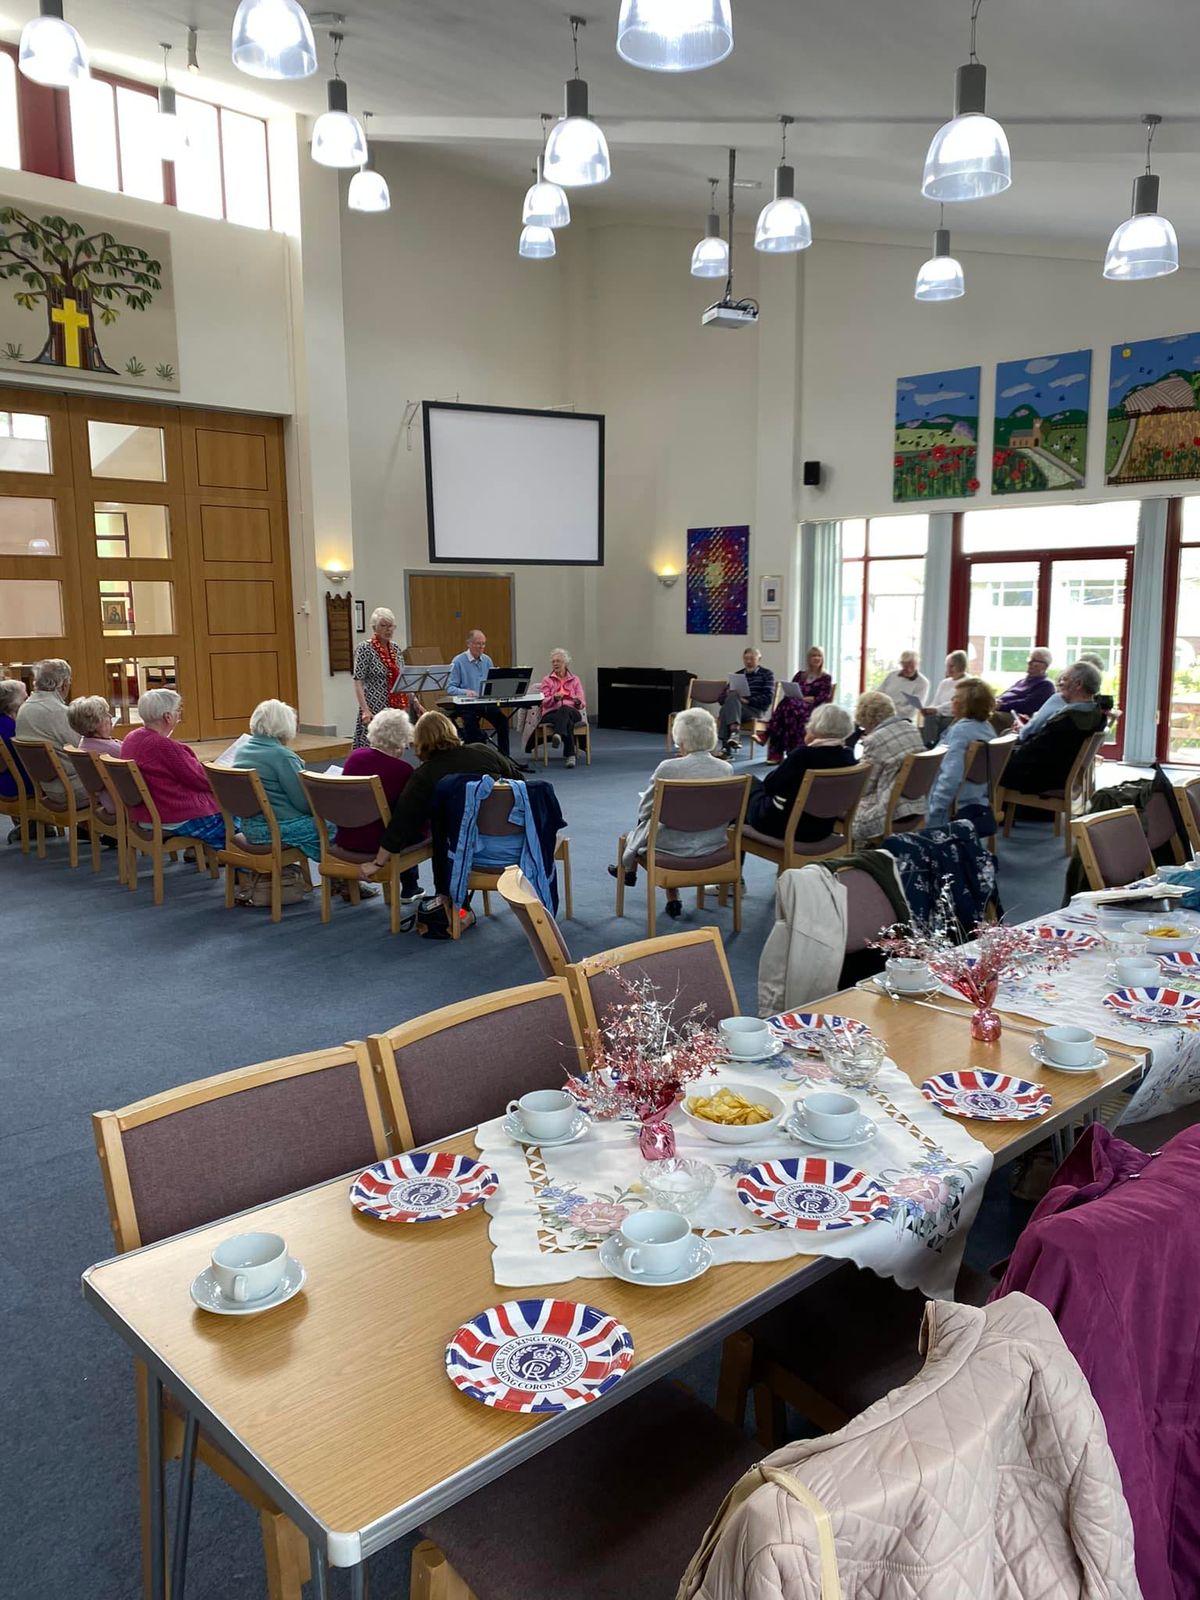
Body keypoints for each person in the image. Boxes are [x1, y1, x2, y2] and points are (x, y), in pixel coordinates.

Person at [361, 709, 522, 878]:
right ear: (450, 729)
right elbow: (520, 783)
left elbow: (402, 822)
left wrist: (378, 863)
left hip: (461, 853)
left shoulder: (424, 775)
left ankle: (446, 896)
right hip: (513, 845)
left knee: (439, 822)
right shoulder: (483, 751)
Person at [609, 706, 734, 921]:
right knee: (672, 821)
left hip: (672, 846)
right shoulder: (726, 769)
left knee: (646, 825)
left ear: (681, 740)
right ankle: (661, 891)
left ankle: (629, 868)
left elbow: (645, 810)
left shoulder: (668, 768)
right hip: (712, 843)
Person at [338, 708, 424, 902]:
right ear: (401, 740)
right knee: (408, 820)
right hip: (379, 843)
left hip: (347, 837)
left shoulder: (355, 757)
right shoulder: (403, 769)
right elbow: (407, 815)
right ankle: (410, 886)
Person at [121, 689, 225, 847]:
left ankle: (201, 851)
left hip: (144, 813)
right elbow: (201, 780)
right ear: (168, 717)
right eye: (178, 711)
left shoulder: (132, 737)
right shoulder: (164, 746)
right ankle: (240, 862)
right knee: (234, 815)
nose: (179, 716)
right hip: (170, 815)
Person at [746, 701, 857, 841]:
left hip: (786, 826)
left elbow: (771, 785)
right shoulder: (848, 757)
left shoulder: (803, 756)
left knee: (746, 784)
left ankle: (732, 855)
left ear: (817, 726)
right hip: (822, 828)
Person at [232, 699, 323, 863]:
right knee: (336, 825)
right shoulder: (282, 756)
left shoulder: (242, 750)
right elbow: (304, 803)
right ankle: (341, 880)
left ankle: (282, 876)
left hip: (249, 826)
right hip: (275, 828)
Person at [1002, 662, 1106, 797]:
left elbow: (1029, 753)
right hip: (1061, 774)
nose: (1060, 683)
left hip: (1043, 778)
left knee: (991, 763)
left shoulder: (1067, 721)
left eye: (1064, 679)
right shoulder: (1097, 716)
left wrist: (1006, 751)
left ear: (1078, 684)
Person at [853, 690, 927, 841]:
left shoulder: (875, 739)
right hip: (916, 805)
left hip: (891, 811)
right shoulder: (911, 729)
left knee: (837, 806)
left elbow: (865, 787)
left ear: (867, 718)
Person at [14, 657, 88, 806]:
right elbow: (83, 747)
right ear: (64, 684)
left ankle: (85, 829)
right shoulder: (58, 712)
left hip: (46, 786)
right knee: (119, 783)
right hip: (70, 788)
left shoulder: (24, 708)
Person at [925, 676, 996, 831]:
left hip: (951, 805)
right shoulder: (987, 728)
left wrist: (935, 811)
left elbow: (951, 776)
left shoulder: (960, 731)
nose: (952, 701)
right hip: (979, 798)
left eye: (955, 698)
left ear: (965, 704)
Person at [352, 607, 417, 750]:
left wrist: (416, 703)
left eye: (391, 626)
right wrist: (365, 710)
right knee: (373, 748)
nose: (388, 630)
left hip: (395, 707)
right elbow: (358, 681)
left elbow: (403, 679)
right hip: (375, 706)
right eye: (384, 626)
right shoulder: (364, 648)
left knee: (394, 747)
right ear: (374, 627)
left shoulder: (395, 648)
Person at [761, 645, 833, 760]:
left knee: (786, 709)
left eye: (819, 656)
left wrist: (813, 699)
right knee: (788, 705)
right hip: (795, 705)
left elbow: (824, 695)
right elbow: (791, 689)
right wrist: (797, 697)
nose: (816, 658)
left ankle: (770, 739)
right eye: (814, 656)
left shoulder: (826, 677)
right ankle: (790, 751)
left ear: (822, 659)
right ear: (809, 659)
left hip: (812, 707)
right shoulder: (800, 675)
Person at [447, 629, 510, 756]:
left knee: (503, 721)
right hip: (467, 704)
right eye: (478, 644)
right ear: (468, 644)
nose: (481, 647)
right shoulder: (458, 661)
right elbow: (450, 688)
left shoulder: (487, 660)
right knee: (471, 726)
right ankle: (476, 754)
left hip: (484, 702)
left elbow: (491, 683)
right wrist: (467, 692)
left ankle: (505, 757)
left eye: (483, 644)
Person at [717, 647, 776, 759]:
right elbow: (720, 699)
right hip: (737, 709)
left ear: (759, 659)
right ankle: (734, 733)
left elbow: (768, 698)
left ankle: (726, 748)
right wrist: (728, 693)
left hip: (755, 710)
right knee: (731, 699)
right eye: (746, 659)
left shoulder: (767, 674)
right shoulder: (737, 675)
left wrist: (747, 700)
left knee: (725, 709)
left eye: (752, 659)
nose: (748, 662)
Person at [532, 648, 586, 767]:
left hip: (572, 711)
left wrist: (577, 701)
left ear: (565, 663)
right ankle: (570, 756)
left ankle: (559, 734)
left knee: (565, 709)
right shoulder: (547, 680)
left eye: (558, 661)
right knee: (568, 722)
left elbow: (582, 702)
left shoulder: (575, 680)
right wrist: (554, 698)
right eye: (553, 661)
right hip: (551, 713)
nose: (555, 664)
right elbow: (543, 702)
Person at [921, 649, 969, 747]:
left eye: (952, 666)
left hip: (955, 715)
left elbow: (956, 702)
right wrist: (929, 709)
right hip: (939, 714)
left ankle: (935, 747)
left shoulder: (968, 682)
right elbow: (936, 702)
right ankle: (928, 746)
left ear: (961, 665)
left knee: (944, 722)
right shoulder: (944, 683)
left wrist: (936, 709)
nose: (948, 669)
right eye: (947, 666)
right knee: (929, 717)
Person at [996, 647, 1055, 719]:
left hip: (1015, 716)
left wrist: (1001, 706)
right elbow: (1003, 695)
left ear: (1045, 666)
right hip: (999, 709)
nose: (1029, 663)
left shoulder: (1046, 685)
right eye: (1030, 659)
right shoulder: (1021, 681)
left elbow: (1027, 705)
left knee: (984, 716)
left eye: (1034, 661)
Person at [875, 651, 930, 721]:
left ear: (917, 664)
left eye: (912, 666)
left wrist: (890, 710)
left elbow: (912, 709)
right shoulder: (892, 675)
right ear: (901, 664)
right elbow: (879, 694)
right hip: (883, 715)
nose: (909, 670)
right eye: (906, 666)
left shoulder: (922, 682)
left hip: (902, 719)